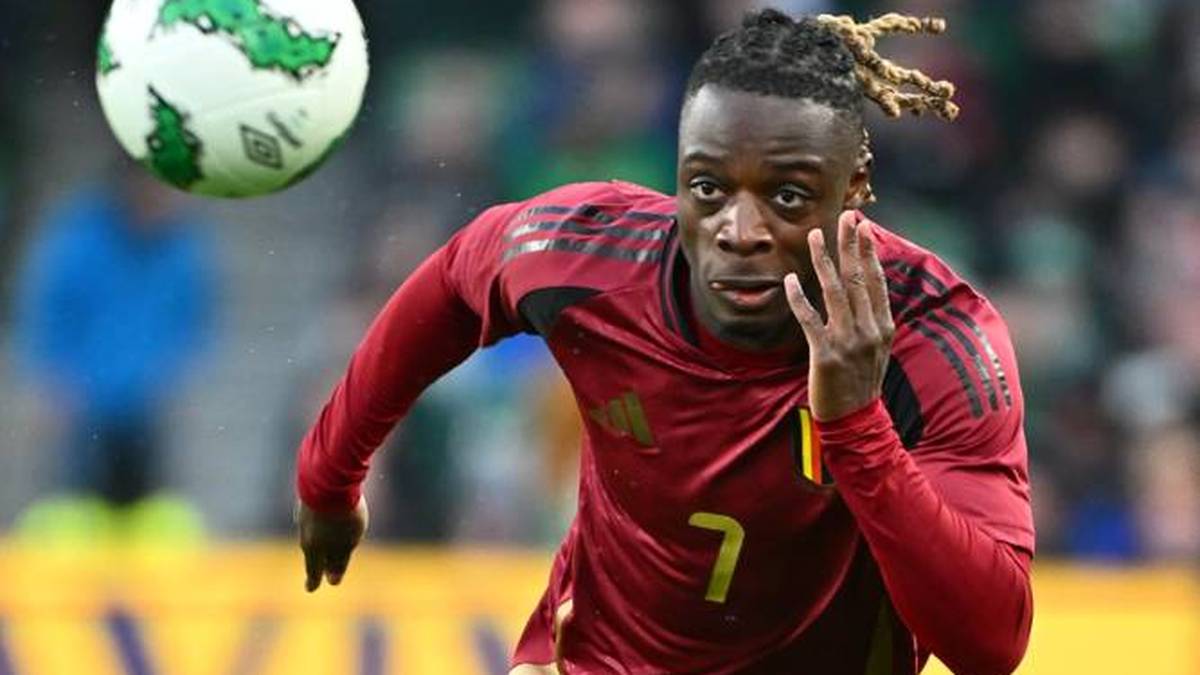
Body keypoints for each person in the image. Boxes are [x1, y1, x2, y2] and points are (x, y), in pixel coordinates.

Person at [295, 10, 1033, 675]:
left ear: (855, 188)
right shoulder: (588, 255)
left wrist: (856, 428)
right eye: (708, 188)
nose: (738, 233)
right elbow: (457, 279)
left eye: (786, 196)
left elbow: (990, 644)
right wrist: (329, 477)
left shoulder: (937, 340)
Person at [13, 160, 214, 540]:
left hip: (147, 409)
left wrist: (178, 372)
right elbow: (47, 314)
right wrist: (51, 377)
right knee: (76, 516)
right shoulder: (77, 242)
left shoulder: (183, 247)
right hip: (85, 406)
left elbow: (195, 319)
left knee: (153, 517)